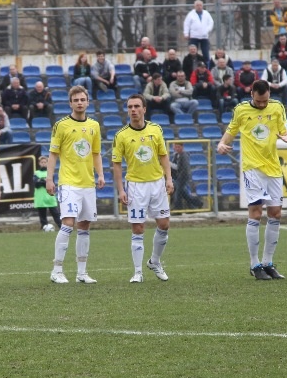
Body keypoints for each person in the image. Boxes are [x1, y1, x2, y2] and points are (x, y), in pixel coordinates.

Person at [217, 80, 287, 280]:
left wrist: (286, 136)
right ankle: (254, 264)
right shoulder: (241, 110)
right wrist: (222, 144)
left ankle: (268, 263)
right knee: (256, 212)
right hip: (252, 168)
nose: (262, 105)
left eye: (265, 101)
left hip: (273, 168)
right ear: (251, 94)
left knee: (275, 213)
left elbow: (285, 129)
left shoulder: (277, 107)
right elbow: (231, 131)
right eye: (259, 101)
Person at [45, 85, 104, 284]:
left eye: (82, 99)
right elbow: (53, 154)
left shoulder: (94, 126)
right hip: (68, 182)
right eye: (76, 100)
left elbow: (96, 153)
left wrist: (101, 175)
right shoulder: (61, 125)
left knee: (85, 225)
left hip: (88, 183)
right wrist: (49, 178)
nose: (79, 103)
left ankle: (81, 272)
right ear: (70, 103)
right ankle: (57, 270)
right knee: (68, 223)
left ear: (87, 102)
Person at [112, 94, 174, 283]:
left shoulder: (156, 130)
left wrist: (168, 179)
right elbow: (116, 164)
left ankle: (154, 261)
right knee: (138, 228)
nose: (133, 110)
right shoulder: (121, 135)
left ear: (144, 109)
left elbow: (163, 156)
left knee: (164, 224)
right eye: (130, 106)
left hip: (157, 183)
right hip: (136, 186)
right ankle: (137, 272)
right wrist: (121, 190)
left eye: (137, 106)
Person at [169, 142, 201, 210]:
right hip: (178, 177)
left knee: (178, 193)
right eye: (175, 147)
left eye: (178, 147)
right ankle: (196, 204)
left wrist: (170, 164)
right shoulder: (176, 155)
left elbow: (183, 168)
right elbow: (176, 167)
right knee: (183, 194)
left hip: (183, 177)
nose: (176, 148)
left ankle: (178, 209)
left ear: (182, 147)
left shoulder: (184, 155)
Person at [33, 155, 61, 231]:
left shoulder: (50, 173)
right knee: (42, 216)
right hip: (40, 198)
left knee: (56, 214)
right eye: (42, 162)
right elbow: (36, 184)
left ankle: (61, 227)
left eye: (45, 162)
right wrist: (44, 181)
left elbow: (52, 183)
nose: (43, 163)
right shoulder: (36, 173)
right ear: (39, 163)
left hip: (50, 197)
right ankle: (44, 228)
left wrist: (41, 180)